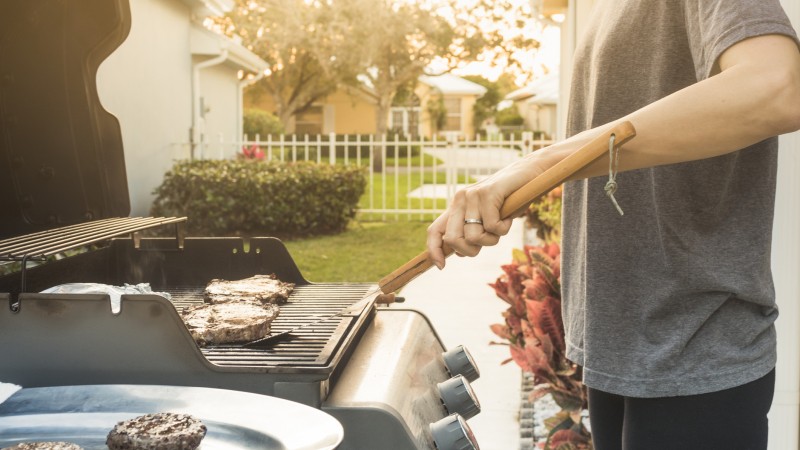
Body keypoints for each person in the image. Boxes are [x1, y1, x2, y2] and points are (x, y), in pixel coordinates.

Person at [425, 1, 800, 449]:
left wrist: (538, 164)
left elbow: (776, 88)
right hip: (618, 348)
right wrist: (520, 187)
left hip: (693, 351)